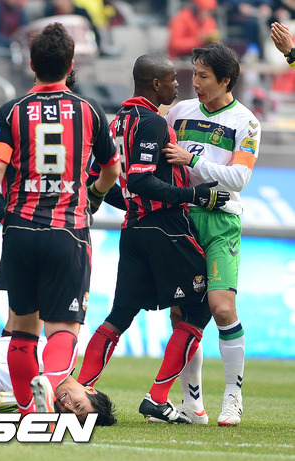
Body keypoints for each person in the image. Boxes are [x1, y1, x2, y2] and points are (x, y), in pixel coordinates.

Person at [0, 22, 121, 419]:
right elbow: (111, 169)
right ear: (71, 65)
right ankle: (51, 383)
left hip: (19, 230)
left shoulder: (12, 111)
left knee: (21, 331)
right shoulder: (88, 111)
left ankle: (26, 411)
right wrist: (95, 197)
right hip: (67, 232)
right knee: (63, 330)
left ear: (31, 64)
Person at [77, 53, 230, 424]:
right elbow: (142, 179)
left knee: (120, 314)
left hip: (133, 229)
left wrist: (129, 200)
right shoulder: (152, 121)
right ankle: (157, 398)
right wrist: (196, 195)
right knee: (200, 308)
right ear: (155, 84)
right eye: (173, 80)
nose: (178, 85)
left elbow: (101, 180)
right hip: (165, 228)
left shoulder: (117, 122)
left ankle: (79, 387)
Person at [163, 42, 261, 426]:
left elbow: (239, 177)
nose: (195, 82)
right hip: (182, 217)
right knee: (180, 312)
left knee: (221, 308)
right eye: (194, 73)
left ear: (226, 81)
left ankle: (233, 397)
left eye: (203, 76)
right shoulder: (180, 112)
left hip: (221, 220)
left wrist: (194, 160)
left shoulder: (247, 122)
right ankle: (193, 405)